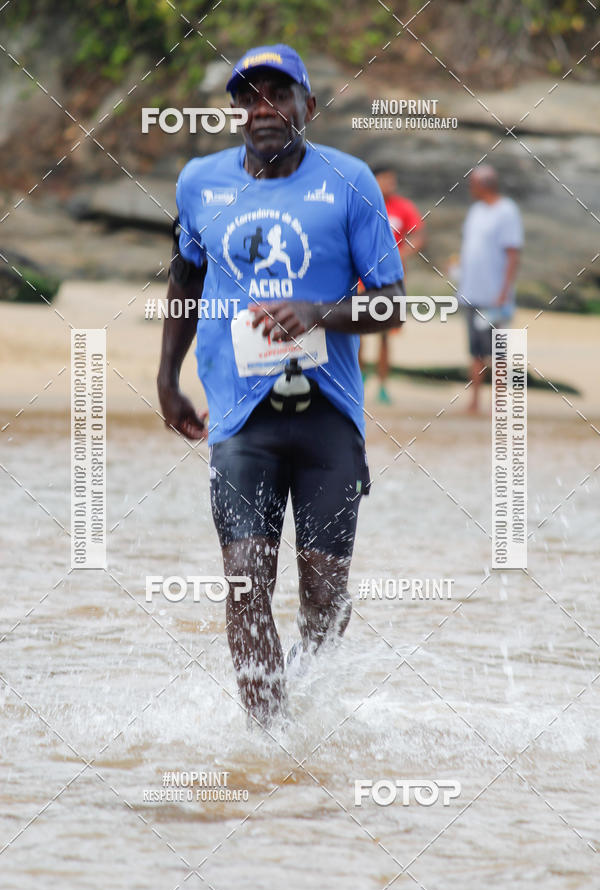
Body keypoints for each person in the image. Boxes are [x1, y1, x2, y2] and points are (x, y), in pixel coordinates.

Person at [157, 44, 405, 728]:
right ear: (235, 110)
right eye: (248, 97)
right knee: (245, 580)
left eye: (277, 95)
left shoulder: (349, 181)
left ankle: (308, 691)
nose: (261, 109)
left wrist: (316, 312)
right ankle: (270, 744)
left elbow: (392, 305)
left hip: (328, 417)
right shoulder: (200, 183)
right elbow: (184, 279)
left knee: (324, 595)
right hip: (241, 419)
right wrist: (167, 378)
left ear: (308, 107)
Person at [459, 164, 523, 413]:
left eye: (473, 183)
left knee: (497, 348)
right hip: (471, 291)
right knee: (475, 350)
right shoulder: (475, 211)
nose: (470, 188)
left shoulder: (507, 212)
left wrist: (503, 292)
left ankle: (499, 402)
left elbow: (513, 253)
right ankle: (474, 401)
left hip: (494, 296)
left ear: (484, 185)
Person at [358, 166, 425, 404]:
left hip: (391, 281)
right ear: (374, 180)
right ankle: (360, 378)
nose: (390, 184)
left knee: (386, 334)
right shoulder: (362, 203)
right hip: (362, 281)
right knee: (358, 332)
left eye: (392, 180)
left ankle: (383, 385)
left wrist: (400, 255)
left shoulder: (403, 207)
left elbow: (417, 235)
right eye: (385, 179)